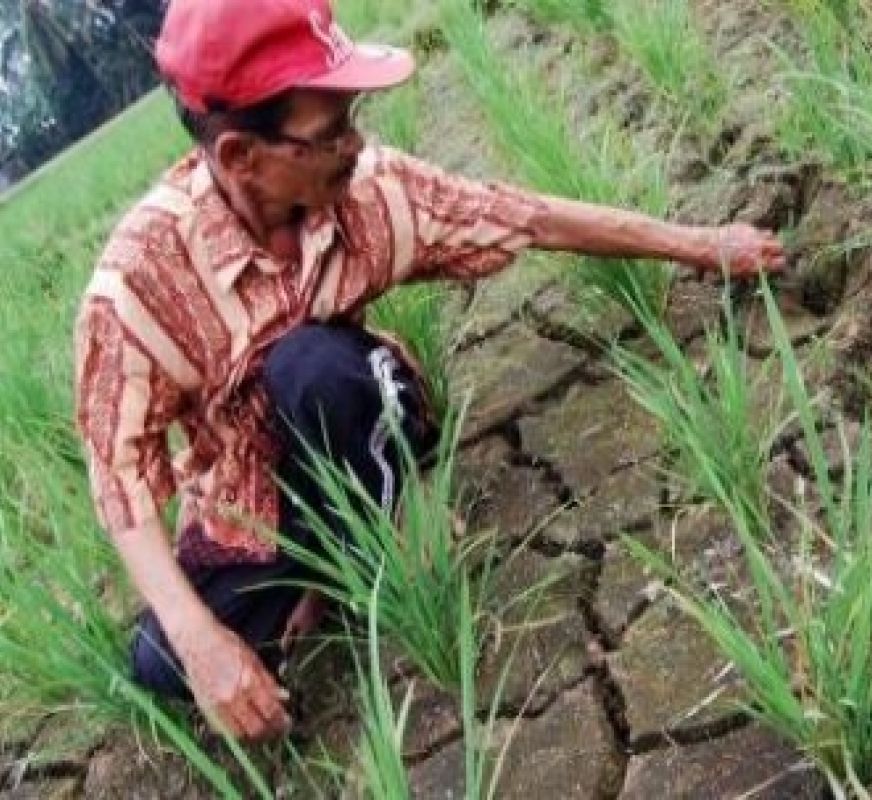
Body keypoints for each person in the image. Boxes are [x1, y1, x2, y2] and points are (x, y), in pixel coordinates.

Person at [73, 0, 784, 743]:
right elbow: (119, 470)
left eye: (352, 116)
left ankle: (398, 522)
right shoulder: (137, 285)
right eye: (330, 133)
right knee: (163, 658)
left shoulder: (368, 189)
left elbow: (529, 217)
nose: (357, 144)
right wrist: (199, 639)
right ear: (241, 159)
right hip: (254, 486)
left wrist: (704, 245)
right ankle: (323, 568)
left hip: (358, 407)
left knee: (309, 367)